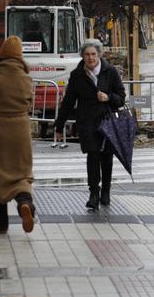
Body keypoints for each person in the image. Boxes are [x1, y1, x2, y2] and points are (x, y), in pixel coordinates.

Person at [54, 39, 126, 209]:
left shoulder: (110, 72)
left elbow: (121, 97)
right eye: (87, 54)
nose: (90, 58)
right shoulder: (77, 75)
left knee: (106, 157)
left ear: (99, 54)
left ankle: (106, 191)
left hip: (108, 121)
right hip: (87, 122)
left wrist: (108, 97)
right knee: (93, 156)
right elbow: (68, 101)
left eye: (93, 54)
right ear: (82, 56)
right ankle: (94, 192)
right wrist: (59, 125)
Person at [0, 36, 36, 234]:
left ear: (1, 54)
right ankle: (24, 205)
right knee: (22, 174)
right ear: (20, 56)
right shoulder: (27, 78)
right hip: (21, 130)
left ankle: (1, 225)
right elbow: (30, 104)